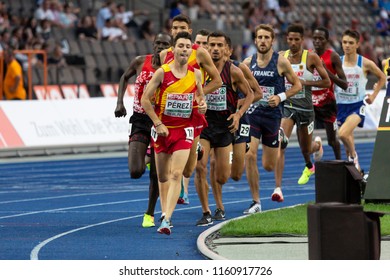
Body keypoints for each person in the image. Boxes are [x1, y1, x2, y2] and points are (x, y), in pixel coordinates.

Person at [141, 31, 206, 235]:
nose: (185, 49)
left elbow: (201, 98)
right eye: (181, 46)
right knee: (162, 176)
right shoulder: (162, 72)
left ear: (191, 50)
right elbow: (145, 99)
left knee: (177, 173)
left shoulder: (195, 74)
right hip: (163, 131)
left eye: (188, 46)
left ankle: (167, 219)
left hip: (184, 131)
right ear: (174, 49)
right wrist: (158, 123)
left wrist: (202, 106)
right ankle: (163, 212)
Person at [160, 14, 222, 208]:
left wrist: (199, 95)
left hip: (192, 114)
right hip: (169, 115)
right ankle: (169, 204)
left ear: (189, 31)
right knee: (171, 166)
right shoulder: (165, 55)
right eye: (176, 28)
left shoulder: (200, 53)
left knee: (188, 170)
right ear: (171, 31)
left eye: (183, 28)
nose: (179, 31)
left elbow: (217, 80)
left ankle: (192, 153)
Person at [195, 31, 254, 226]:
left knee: (223, 175)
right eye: (212, 45)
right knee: (200, 167)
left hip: (225, 127)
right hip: (204, 125)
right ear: (206, 47)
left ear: (226, 49)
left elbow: (251, 94)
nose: (215, 49)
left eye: (220, 45)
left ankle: (219, 205)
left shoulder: (233, 71)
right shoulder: (198, 69)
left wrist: (238, 114)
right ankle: (206, 211)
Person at [114, 33, 172, 228]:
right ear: (153, 44)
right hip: (139, 120)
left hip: (161, 122)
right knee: (135, 171)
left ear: (170, 48)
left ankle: (149, 213)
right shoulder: (140, 61)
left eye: (165, 44)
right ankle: (147, 158)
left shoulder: (171, 69)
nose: (161, 47)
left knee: (156, 175)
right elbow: (124, 77)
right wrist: (120, 102)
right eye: (158, 43)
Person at [242, 24, 301, 212]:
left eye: (266, 37)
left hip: (273, 116)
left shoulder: (280, 62)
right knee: (249, 155)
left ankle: (280, 136)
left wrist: (280, 96)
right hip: (252, 115)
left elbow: (297, 85)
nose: (263, 41)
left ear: (272, 40)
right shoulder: (247, 63)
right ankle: (256, 201)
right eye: (259, 37)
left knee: (268, 165)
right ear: (255, 40)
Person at [275, 23, 331, 195]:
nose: (293, 43)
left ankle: (318, 145)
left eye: (296, 40)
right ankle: (278, 188)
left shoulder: (311, 57)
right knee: (281, 143)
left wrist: (305, 83)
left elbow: (327, 82)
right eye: (290, 39)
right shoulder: (280, 57)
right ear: (286, 39)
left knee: (306, 149)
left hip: (306, 110)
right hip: (289, 107)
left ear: (302, 40)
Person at [334, 29, 386, 172]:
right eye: (344, 42)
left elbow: (382, 77)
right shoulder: (337, 61)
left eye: (351, 43)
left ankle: (354, 157)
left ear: (357, 44)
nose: (347, 46)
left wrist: (373, 96)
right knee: (347, 141)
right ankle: (355, 170)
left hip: (357, 106)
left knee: (343, 134)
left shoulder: (364, 63)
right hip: (340, 106)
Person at [311, 27, 348, 160]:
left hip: (327, 103)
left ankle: (339, 163)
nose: (317, 41)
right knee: (303, 137)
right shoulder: (308, 55)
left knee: (332, 141)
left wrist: (326, 71)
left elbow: (344, 84)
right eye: (314, 38)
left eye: (320, 38)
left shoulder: (333, 56)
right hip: (309, 103)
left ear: (326, 40)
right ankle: (315, 149)